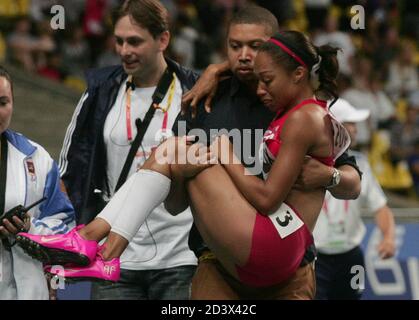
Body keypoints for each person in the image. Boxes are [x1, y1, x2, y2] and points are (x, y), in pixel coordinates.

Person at [17, 24, 356, 300]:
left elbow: (276, 196)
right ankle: (102, 250)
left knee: (176, 150)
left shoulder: (302, 117)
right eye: (235, 47)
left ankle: (96, 244)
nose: (248, 62)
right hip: (238, 253)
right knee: (174, 152)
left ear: (293, 69)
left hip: (278, 249)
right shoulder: (236, 99)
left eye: (264, 72)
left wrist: (227, 158)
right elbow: (179, 203)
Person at [51, 0, 207, 300]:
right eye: (119, 41)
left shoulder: (195, 91)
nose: (124, 51)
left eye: (134, 41)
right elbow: (71, 168)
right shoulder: (101, 91)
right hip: (114, 258)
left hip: (179, 257)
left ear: (163, 39)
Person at [0, 65, 75, 299]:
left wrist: (29, 228)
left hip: (28, 291)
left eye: (3, 102)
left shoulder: (35, 157)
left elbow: (65, 226)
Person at [313, 98, 396, 300]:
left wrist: (388, 237)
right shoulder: (310, 162)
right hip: (316, 257)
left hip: (352, 256)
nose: (356, 129)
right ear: (335, 127)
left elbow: (380, 206)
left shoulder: (362, 164)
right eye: (350, 123)